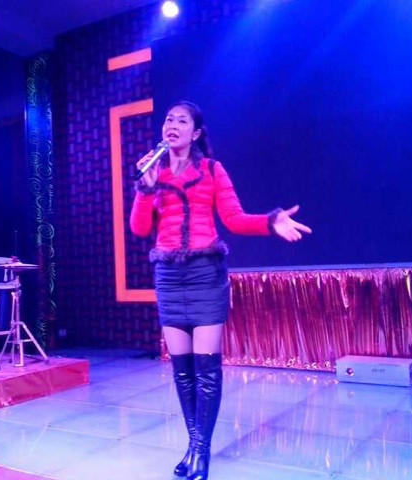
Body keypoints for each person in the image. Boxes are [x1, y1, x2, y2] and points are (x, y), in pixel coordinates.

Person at [130, 101, 312, 480]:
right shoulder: (153, 173)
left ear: (195, 132)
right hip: (169, 277)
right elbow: (139, 228)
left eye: (182, 121)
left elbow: (234, 219)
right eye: (168, 119)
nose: (172, 124)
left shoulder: (212, 169)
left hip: (205, 275)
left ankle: (201, 452)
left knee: (206, 369)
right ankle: (194, 445)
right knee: (182, 371)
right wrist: (144, 190)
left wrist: (270, 221)